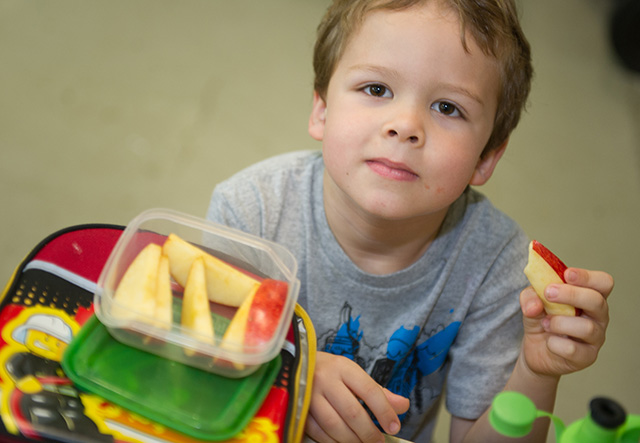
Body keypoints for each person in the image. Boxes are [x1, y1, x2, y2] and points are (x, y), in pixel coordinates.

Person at [206, 0, 614, 441]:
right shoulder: (250, 211)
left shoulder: (496, 264)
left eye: (447, 107)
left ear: (486, 158)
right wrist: (291, 376)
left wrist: (536, 371)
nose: (405, 125)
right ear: (321, 109)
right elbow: (195, 377)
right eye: (377, 89)